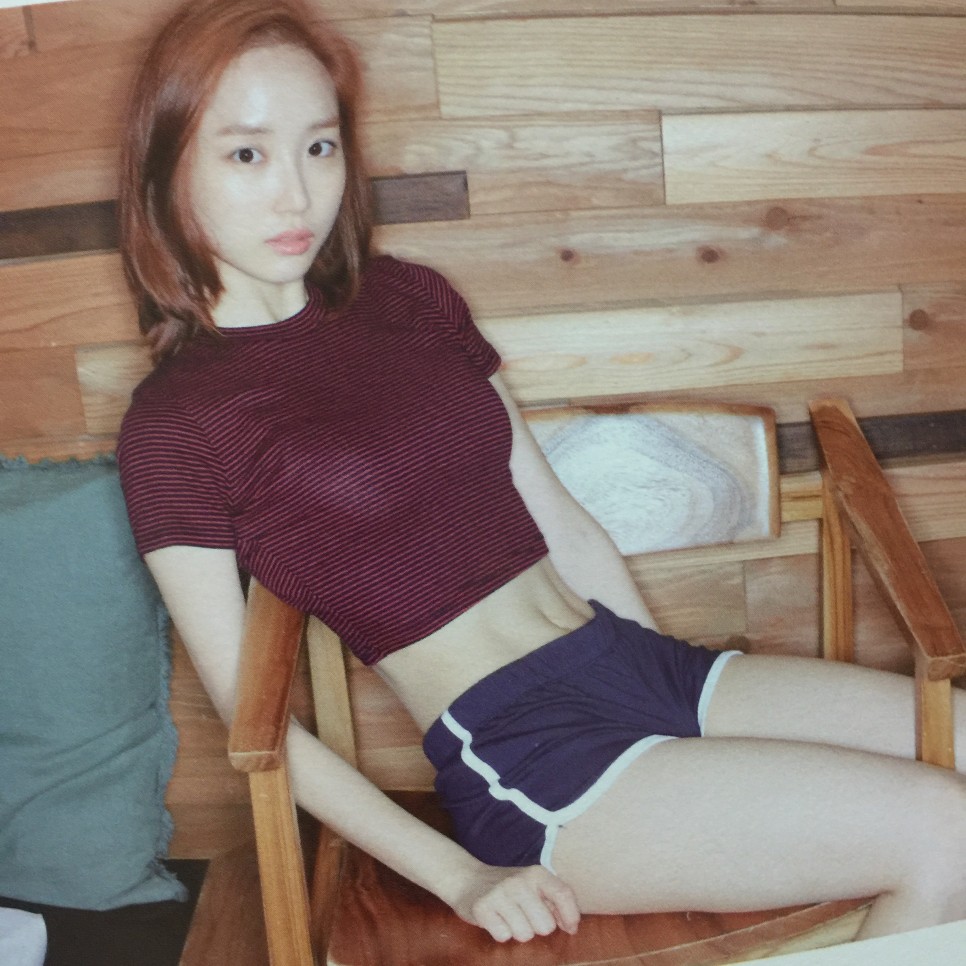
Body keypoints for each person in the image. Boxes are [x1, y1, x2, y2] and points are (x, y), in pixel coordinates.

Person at [116, 0, 966, 946]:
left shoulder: (408, 298)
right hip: (526, 754)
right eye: (247, 154)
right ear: (168, 167)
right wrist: (460, 876)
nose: (296, 194)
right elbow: (253, 721)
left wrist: (677, 728)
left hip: (636, 663)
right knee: (946, 832)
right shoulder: (176, 425)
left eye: (319, 147)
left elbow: (553, 513)